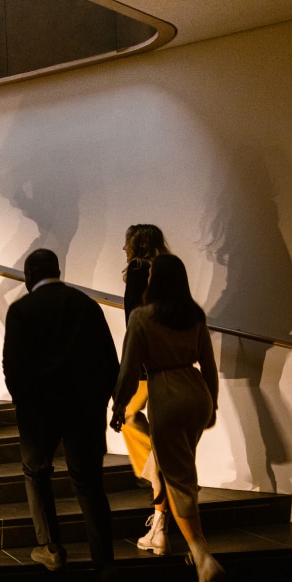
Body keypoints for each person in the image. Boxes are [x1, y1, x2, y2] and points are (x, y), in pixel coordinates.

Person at [3, 249, 119, 582]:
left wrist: (24, 404)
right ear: (58, 270)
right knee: (89, 483)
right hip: (85, 409)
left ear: (28, 278)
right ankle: (105, 562)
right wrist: (108, 403)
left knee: (36, 472)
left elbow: (14, 367)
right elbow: (109, 362)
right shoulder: (87, 305)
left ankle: (50, 548)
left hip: (40, 410)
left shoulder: (22, 310)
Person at [110, 254, 224, 582]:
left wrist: (118, 405)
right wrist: (213, 404)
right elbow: (209, 366)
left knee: (180, 480)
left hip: (167, 394)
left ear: (153, 281)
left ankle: (202, 557)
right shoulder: (195, 316)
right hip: (196, 392)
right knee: (173, 466)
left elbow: (130, 370)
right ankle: (163, 530)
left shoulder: (143, 317)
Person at [118, 224, 174, 555]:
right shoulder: (169, 271)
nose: (122, 248)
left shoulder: (139, 270)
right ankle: (160, 520)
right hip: (172, 362)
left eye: (126, 243)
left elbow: (133, 320)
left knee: (126, 413)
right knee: (161, 438)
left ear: (136, 245)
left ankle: (154, 474)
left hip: (146, 363)